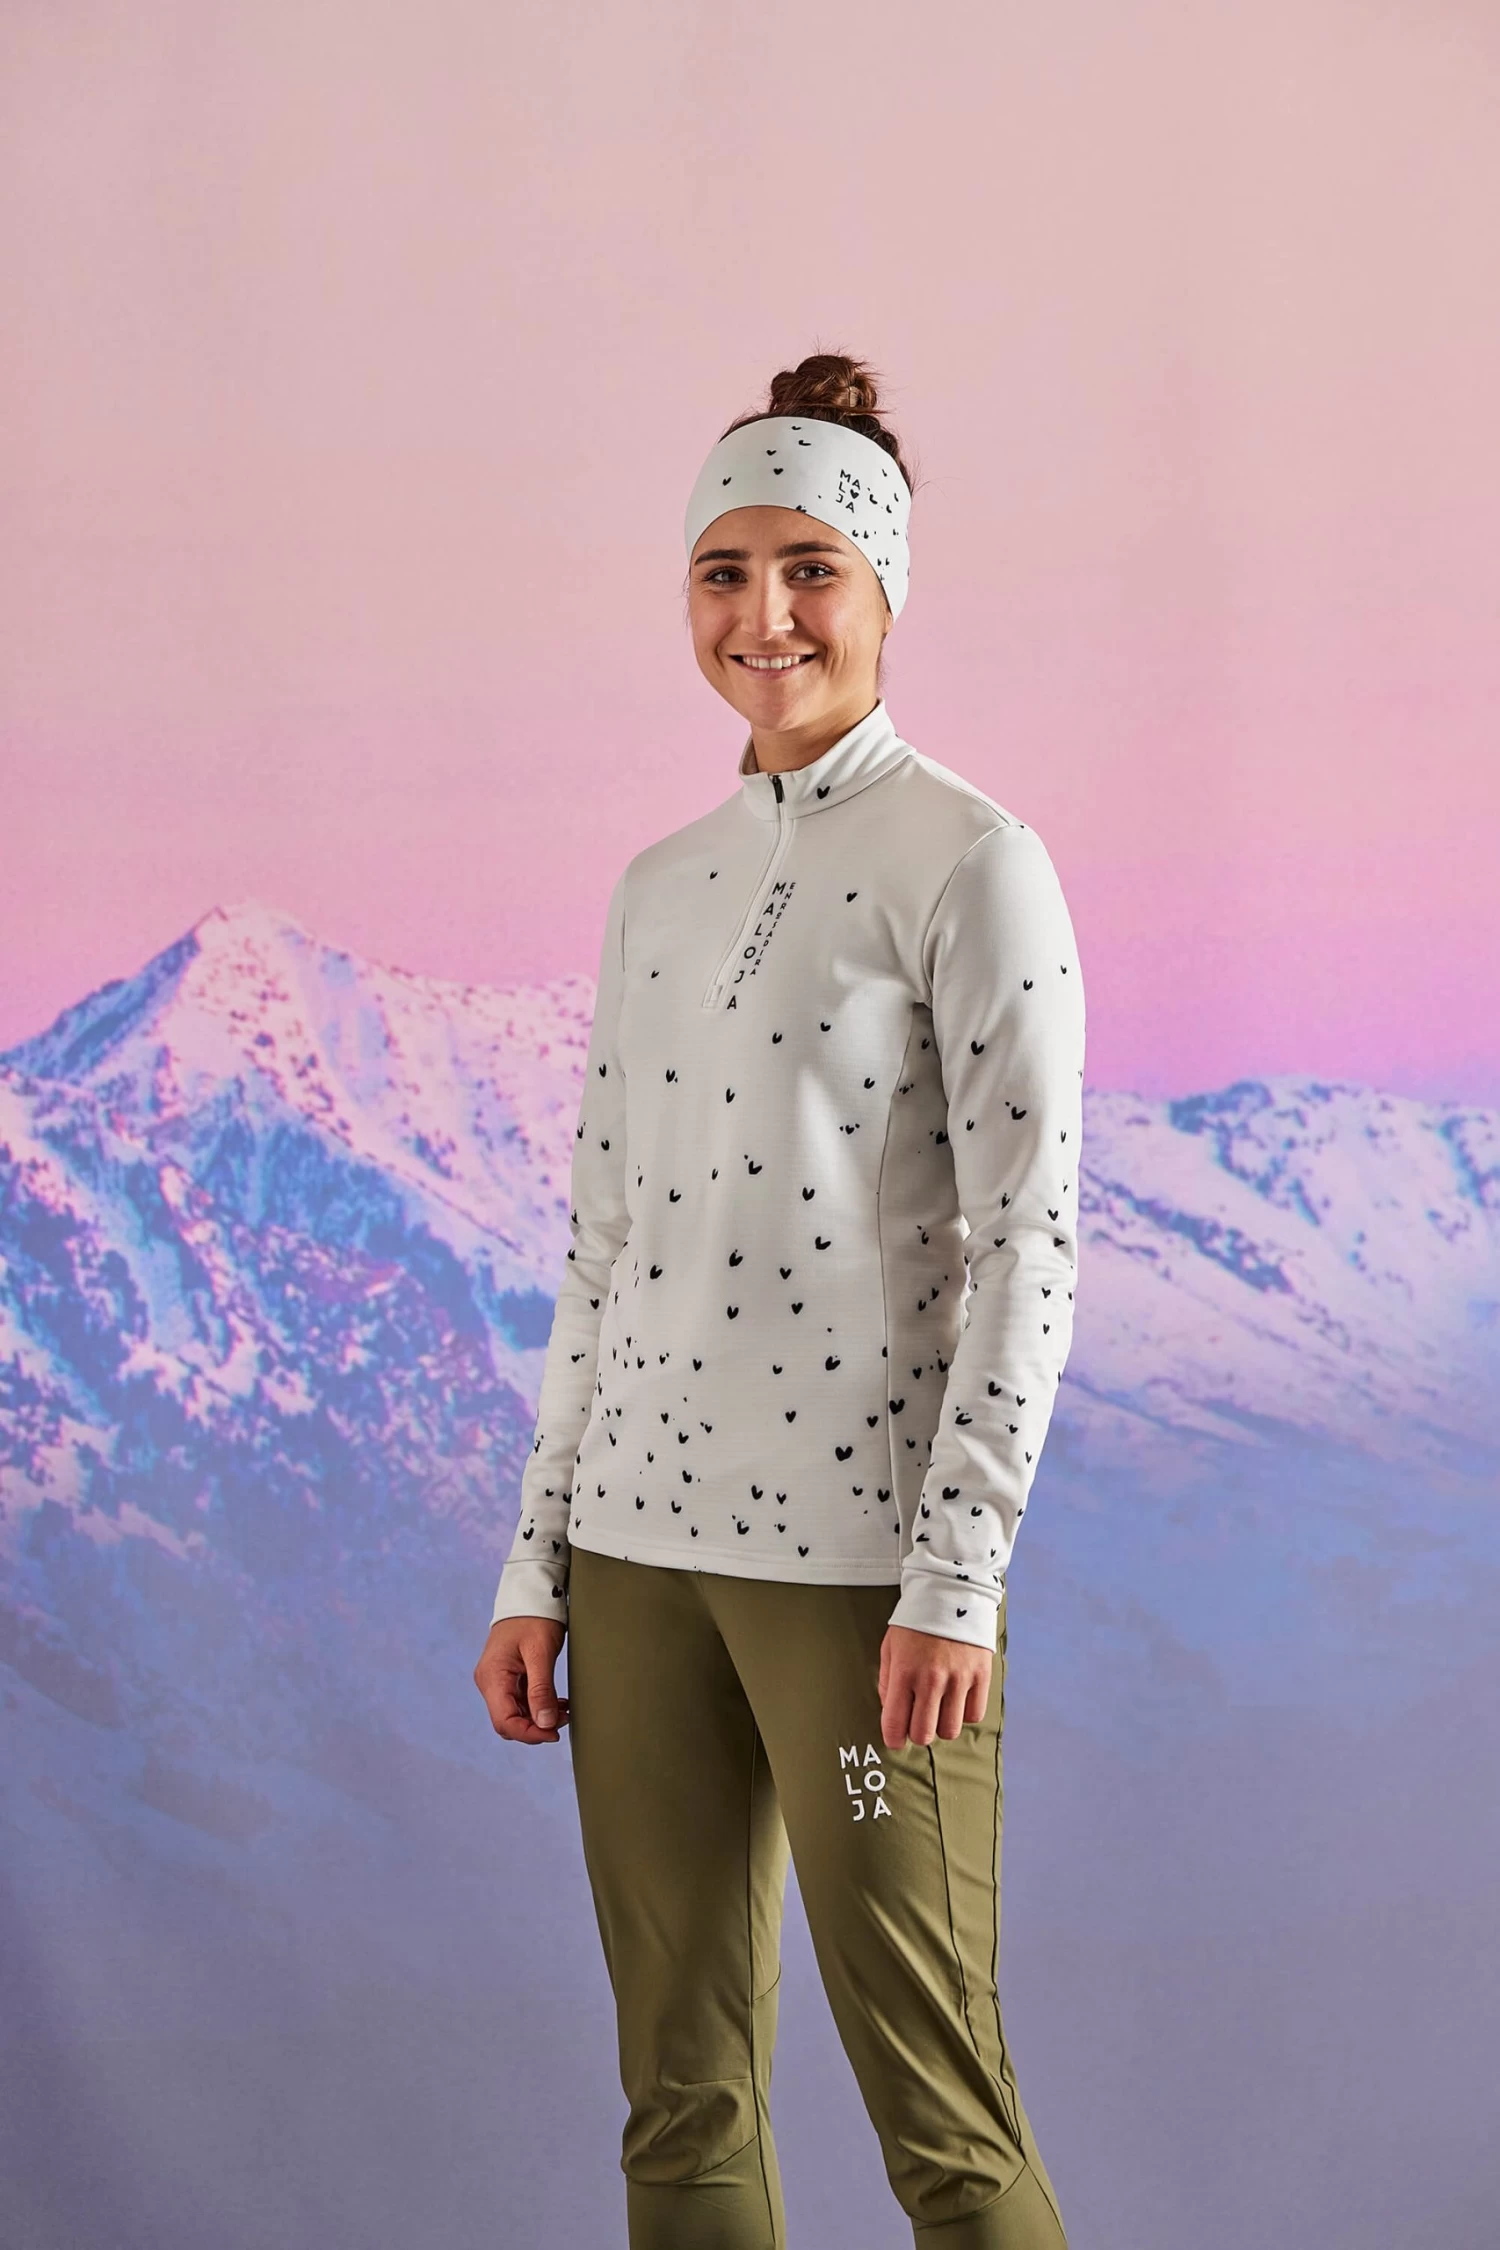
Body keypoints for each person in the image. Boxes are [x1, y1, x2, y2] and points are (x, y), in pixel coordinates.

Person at [473, 351, 1085, 2249]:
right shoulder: (654, 887)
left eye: (811, 566)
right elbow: (602, 1246)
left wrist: (957, 1574)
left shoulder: (972, 861)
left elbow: (1032, 1240)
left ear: (886, 587)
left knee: (941, 2116)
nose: (767, 615)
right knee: (680, 2099)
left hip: (858, 1586)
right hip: (638, 1567)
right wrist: (535, 1563)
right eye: (724, 570)